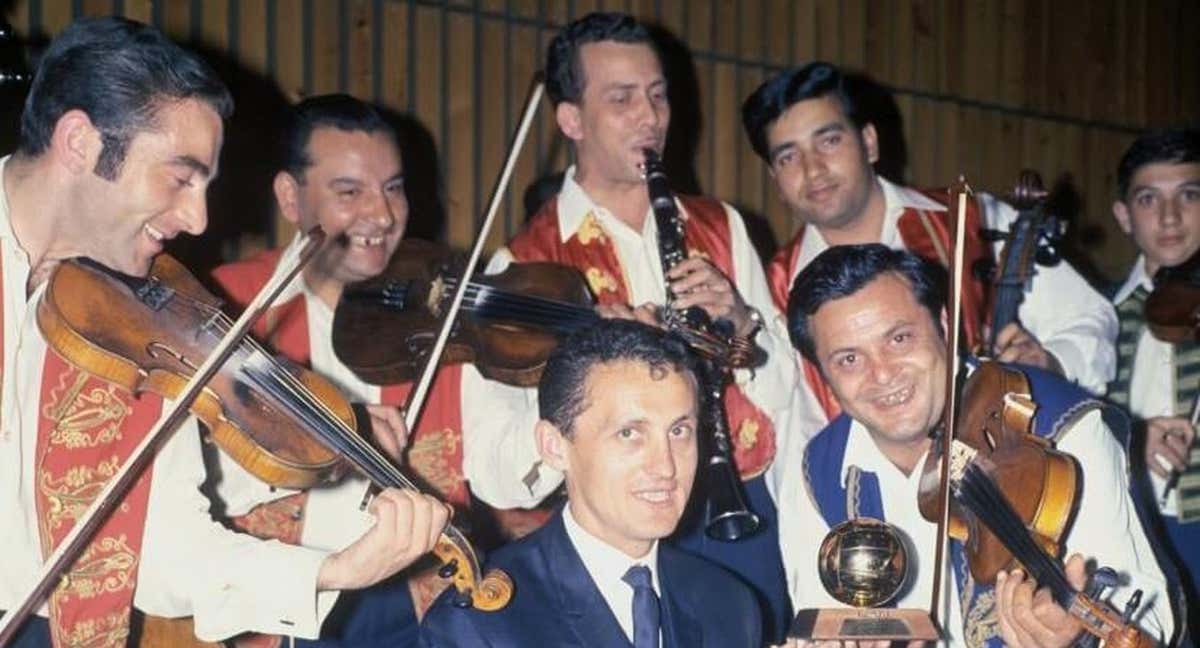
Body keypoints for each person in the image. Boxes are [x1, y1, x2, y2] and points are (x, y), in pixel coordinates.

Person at [0, 18, 445, 647]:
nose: (198, 217)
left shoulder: (148, 321)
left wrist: (330, 571)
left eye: (206, 186)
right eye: (180, 179)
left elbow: (168, 551)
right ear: (80, 144)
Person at [461, 11, 803, 641]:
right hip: (613, 534)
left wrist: (745, 326)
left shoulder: (721, 226)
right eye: (621, 99)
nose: (649, 117)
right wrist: (580, 368)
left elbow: (789, 403)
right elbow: (489, 468)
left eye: (657, 94)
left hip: (743, 520)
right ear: (570, 119)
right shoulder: (524, 266)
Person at [778, 244, 1173, 647]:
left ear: (945, 326)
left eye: (899, 338)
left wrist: (1076, 642)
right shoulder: (818, 469)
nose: (882, 374)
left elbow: (1149, 619)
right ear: (821, 373)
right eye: (849, 359)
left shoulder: (1057, 428)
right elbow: (820, 619)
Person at [205, 93, 475, 645]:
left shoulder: (438, 314)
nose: (382, 215)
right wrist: (332, 443)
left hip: (419, 601)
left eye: (393, 188)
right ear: (290, 197)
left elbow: (503, 467)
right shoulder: (224, 306)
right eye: (349, 192)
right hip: (284, 606)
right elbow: (195, 487)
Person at [743, 62, 1117, 449]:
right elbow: (797, 433)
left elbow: (1091, 319)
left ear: (869, 142)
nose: (813, 169)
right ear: (776, 180)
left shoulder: (972, 221)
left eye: (829, 140)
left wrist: (1051, 364)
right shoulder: (773, 286)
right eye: (788, 157)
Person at [420, 319, 762, 647]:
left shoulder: (730, 605)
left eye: (678, 431)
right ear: (554, 447)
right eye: (629, 433)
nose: (666, 466)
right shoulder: (477, 626)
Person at [1106, 127, 1200, 639]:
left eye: (1189, 195)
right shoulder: (1096, 315)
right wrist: (1131, 436)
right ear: (1124, 216)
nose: (1169, 217)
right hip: (1128, 528)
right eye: (1149, 199)